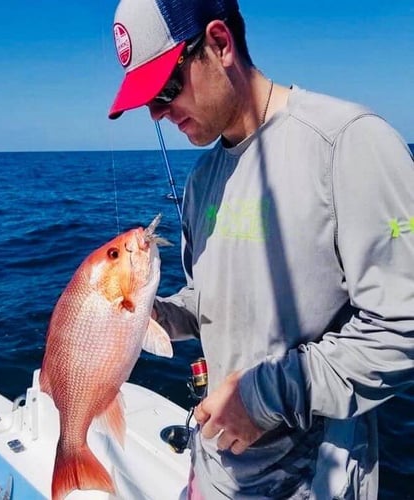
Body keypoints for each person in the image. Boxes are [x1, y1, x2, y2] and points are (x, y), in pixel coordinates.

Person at [108, 0, 414, 498]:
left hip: (313, 483)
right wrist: (157, 315)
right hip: (213, 472)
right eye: (148, 101)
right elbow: (205, 299)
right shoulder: (201, 181)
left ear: (220, 44)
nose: (158, 113)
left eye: (165, 88)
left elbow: (404, 326)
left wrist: (266, 395)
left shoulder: (349, 143)